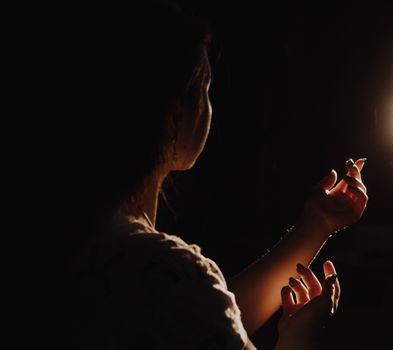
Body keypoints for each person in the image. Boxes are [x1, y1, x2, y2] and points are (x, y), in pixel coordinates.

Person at [20, 1, 368, 349]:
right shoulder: (162, 272)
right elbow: (192, 310)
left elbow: (195, 322)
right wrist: (302, 340)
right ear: (173, 117)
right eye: (204, 88)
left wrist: (317, 224)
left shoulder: (65, 242)